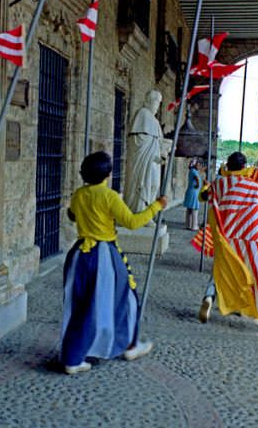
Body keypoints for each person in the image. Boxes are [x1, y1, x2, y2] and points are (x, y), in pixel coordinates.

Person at [62, 151, 165, 374]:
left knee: (81, 305)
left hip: (80, 254)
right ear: (108, 174)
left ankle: (73, 355)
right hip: (103, 255)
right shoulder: (109, 196)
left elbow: (72, 216)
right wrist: (156, 206)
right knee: (126, 299)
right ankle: (129, 344)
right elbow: (132, 222)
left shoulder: (79, 194)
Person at [197, 152, 258, 324]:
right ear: (244, 167)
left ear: (228, 167)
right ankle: (238, 305)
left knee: (221, 269)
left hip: (225, 237)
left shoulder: (219, 184)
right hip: (247, 238)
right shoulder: (253, 187)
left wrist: (205, 187)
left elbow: (203, 197)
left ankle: (209, 297)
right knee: (243, 272)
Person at [124, 90, 168, 216]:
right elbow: (138, 142)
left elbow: (156, 142)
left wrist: (163, 150)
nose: (157, 106)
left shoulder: (155, 121)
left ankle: (147, 214)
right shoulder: (142, 114)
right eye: (156, 102)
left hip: (153, 162)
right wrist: (155, 149)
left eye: (159, 103)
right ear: (148, 101)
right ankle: (140, 213)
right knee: (144, 186)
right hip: (143, 162)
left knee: (154, 185)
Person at [183, 159, 203, 230]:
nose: (199, 166)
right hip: (194, 191)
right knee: (195, 209)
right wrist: (197, 185)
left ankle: (188, 225)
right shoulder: (194, 171)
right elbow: (197, 178)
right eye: (198, 164)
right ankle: (194, 225)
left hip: (190, 191)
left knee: (189, 210)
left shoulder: (192, 171)